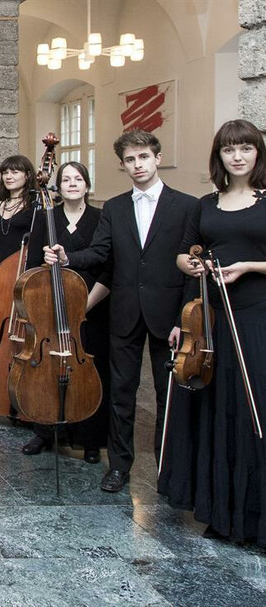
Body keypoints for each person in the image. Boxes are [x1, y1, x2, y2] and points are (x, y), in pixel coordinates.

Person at [46, 129, 199, 493]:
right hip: (126, 311)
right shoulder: (114, 208)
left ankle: (169, 469)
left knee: (169, 395)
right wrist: (68, 257)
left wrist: (183, 320)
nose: (137, 165)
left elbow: (191, 266)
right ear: (122, 165)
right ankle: (119, 466)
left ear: (157, 158)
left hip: (169, 315)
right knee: (122, 393)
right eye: (130, 160)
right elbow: (100, 253)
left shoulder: (187, 205)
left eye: (143, 157)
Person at [173, 119, 266, 545]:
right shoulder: (204, 204)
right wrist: (191, 264)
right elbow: (182, 255)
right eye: (230, 150)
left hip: (257, 318)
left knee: (252, 412)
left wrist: (247, 266)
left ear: (257, 153)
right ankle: (220, 512)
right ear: (220, 157)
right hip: (212, 319)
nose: (238, 156)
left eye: (246, 148)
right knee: (219, 410)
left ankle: (255, 517)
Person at [20, 161, 111, 464]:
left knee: (91, 372)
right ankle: (45, 431)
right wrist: (45, 262)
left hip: (91, 308)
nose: (73, 183)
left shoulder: (102, 218)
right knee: (46, 369)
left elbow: (109, 268)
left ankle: (91, 439)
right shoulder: (48, 217)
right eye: (66, 179)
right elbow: (32, 266)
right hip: (50, 308)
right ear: (57, 186)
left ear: (87, 184)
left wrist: (81, 309)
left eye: (78, 178)